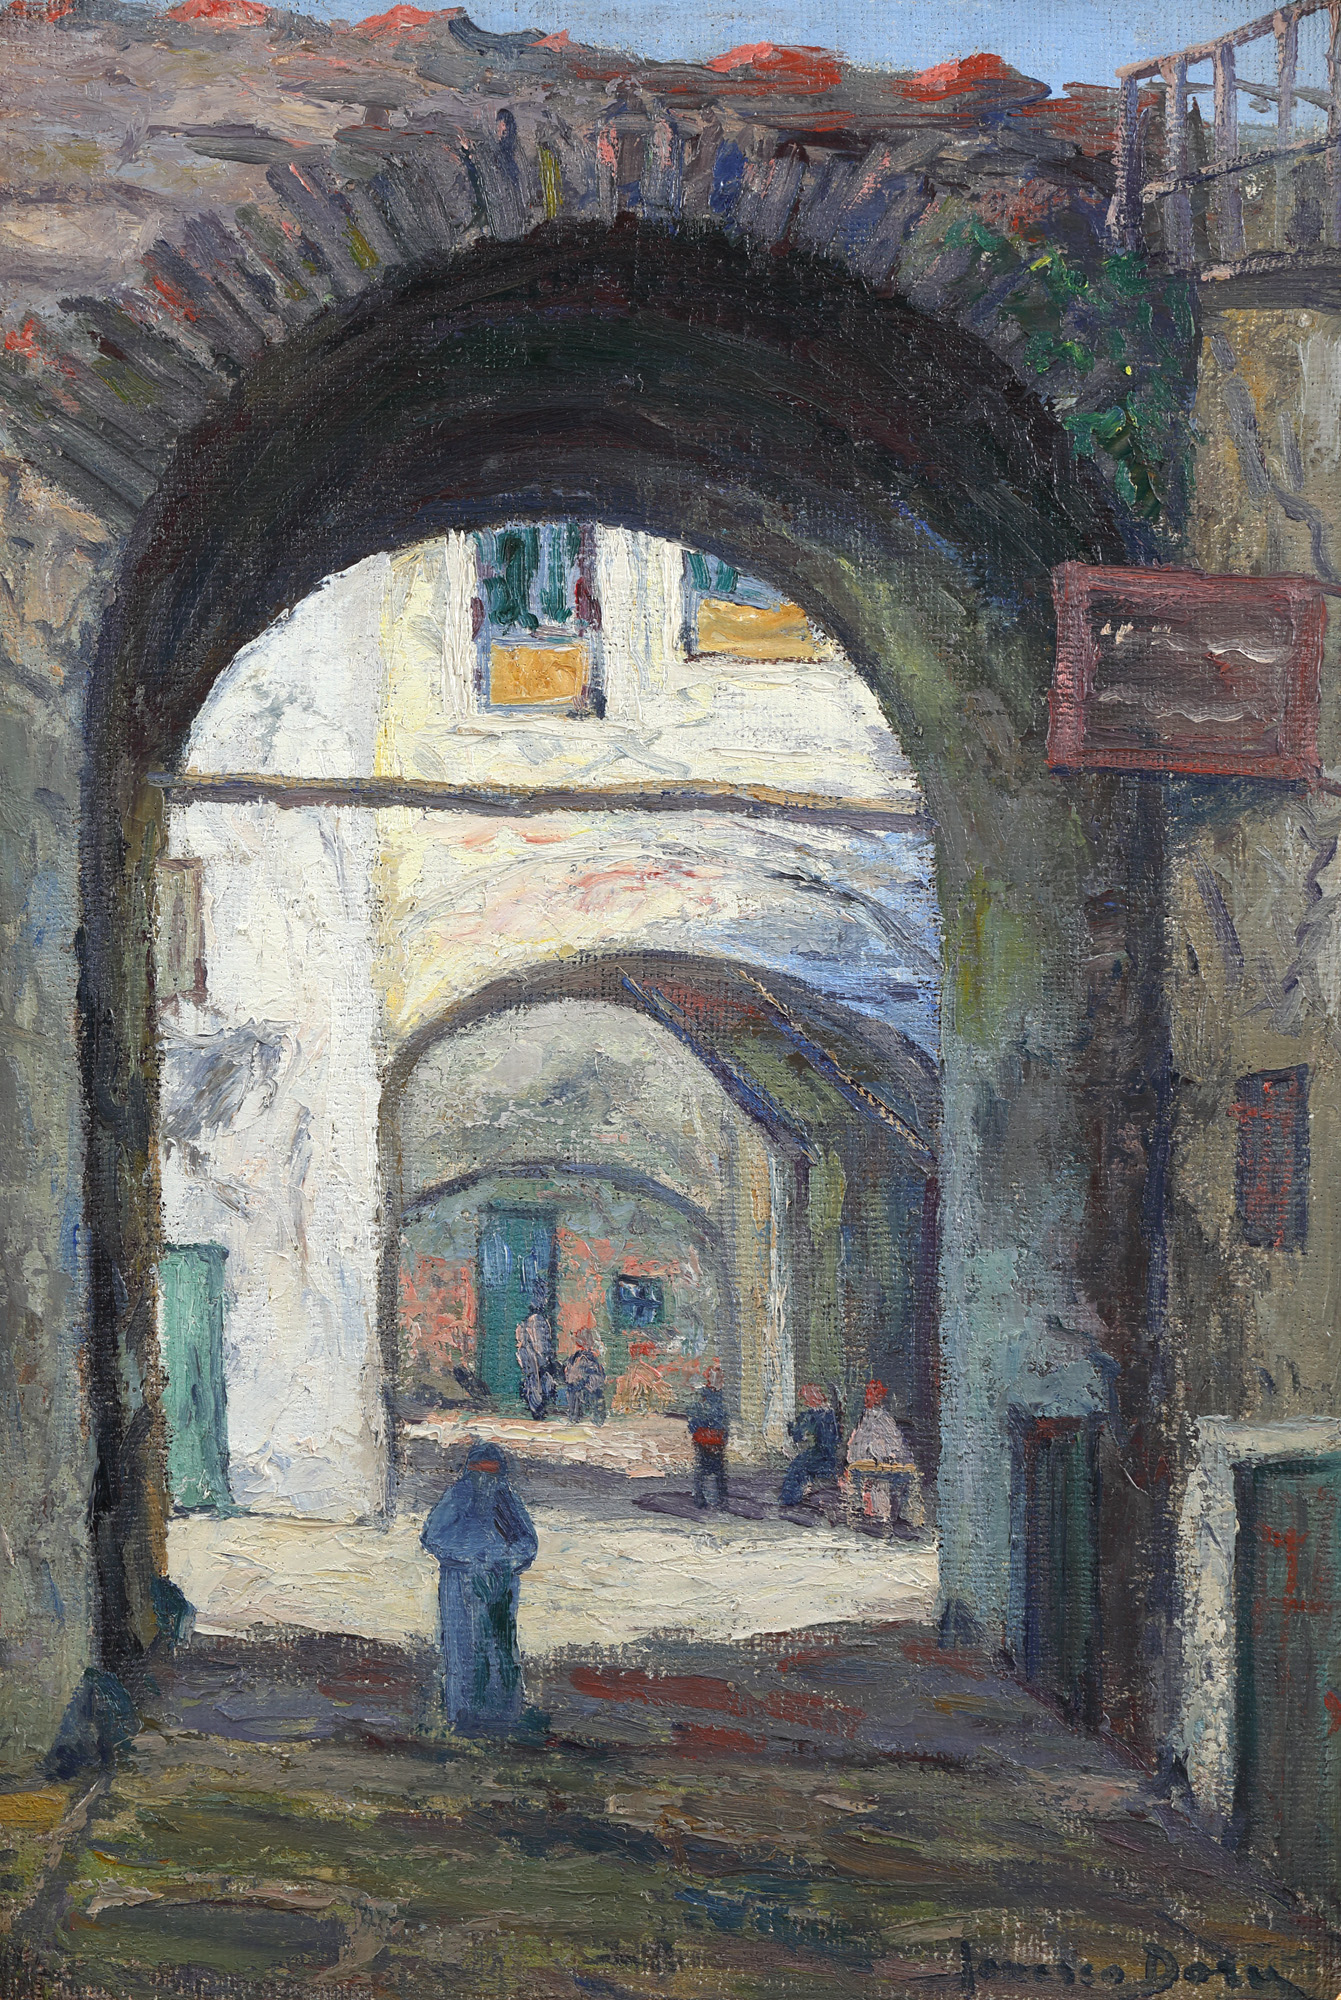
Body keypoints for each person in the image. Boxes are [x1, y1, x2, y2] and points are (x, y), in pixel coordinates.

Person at [421, 1442, 538, 1729]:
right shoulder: (457, 1497)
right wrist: (472, 1557)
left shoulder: (507, 1500)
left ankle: (503, 1714)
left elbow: (528, 1544)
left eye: (492, 1472)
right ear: (468, 1471)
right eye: (479, 1471)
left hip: (500, 1588)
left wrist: (504, 1559)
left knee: (501, 1651)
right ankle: (464, 1716)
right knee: (463, 1651)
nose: (485, 1479)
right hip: (460, 1589)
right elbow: (432, 1537)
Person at [843, 1380, 924, 1531]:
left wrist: (884, 1454)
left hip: (887, 1463)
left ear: (879, 1398)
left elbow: (893, 1444)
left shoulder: (884, 1419)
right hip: (865, 1463)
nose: (867, 1397)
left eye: (871, 1394)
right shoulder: (866, 1416)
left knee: (880, 1480)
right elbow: (858, 1442)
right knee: (861, 1479)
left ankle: (882, 1518)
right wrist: (854, 1457)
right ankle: (869, 1515)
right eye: (867, 1393)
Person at [779, 1382, 841, 1507]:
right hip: (828, 1454)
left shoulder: (817, 1414)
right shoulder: (828, 1413)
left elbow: (800, 1434)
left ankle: (789, 1498)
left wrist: (791, 1427)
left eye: (805, 1399)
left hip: (821, 1454)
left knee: (797, 1466)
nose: (804, 1402)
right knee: (799, 1463)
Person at [685, 1364, 730, 1509]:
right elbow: (694, 1414)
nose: (717, 1380)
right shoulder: (704, 1395)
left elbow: (724, 1418)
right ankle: (701, 1498)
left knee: (718, 1470)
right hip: (704, 1437)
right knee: (704, 1468)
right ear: (709, 1378)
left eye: (719, 1377)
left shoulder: (721, 1396)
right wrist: (697, 1431)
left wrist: (724, 1434)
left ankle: (720, 1499)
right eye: (714, 1377)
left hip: (716, 1438)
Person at [516, 1305, 557, 1419]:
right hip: (534, 1356)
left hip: (533, 1356)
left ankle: (537, 1407)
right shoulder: (537, 1320)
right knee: (535, 1380)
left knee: (535, 1380)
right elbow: (538, 1341)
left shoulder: (532, 1321)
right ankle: (537, 1408)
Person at [563, 1339, 607, 1423]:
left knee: (576, 1392)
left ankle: (575, 1416)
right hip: (577, 1382)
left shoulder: (587, 1358)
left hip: (587, 1382)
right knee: (574, 1392)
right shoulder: (575, 1358)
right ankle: (574, 1416)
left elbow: (595, 1373)